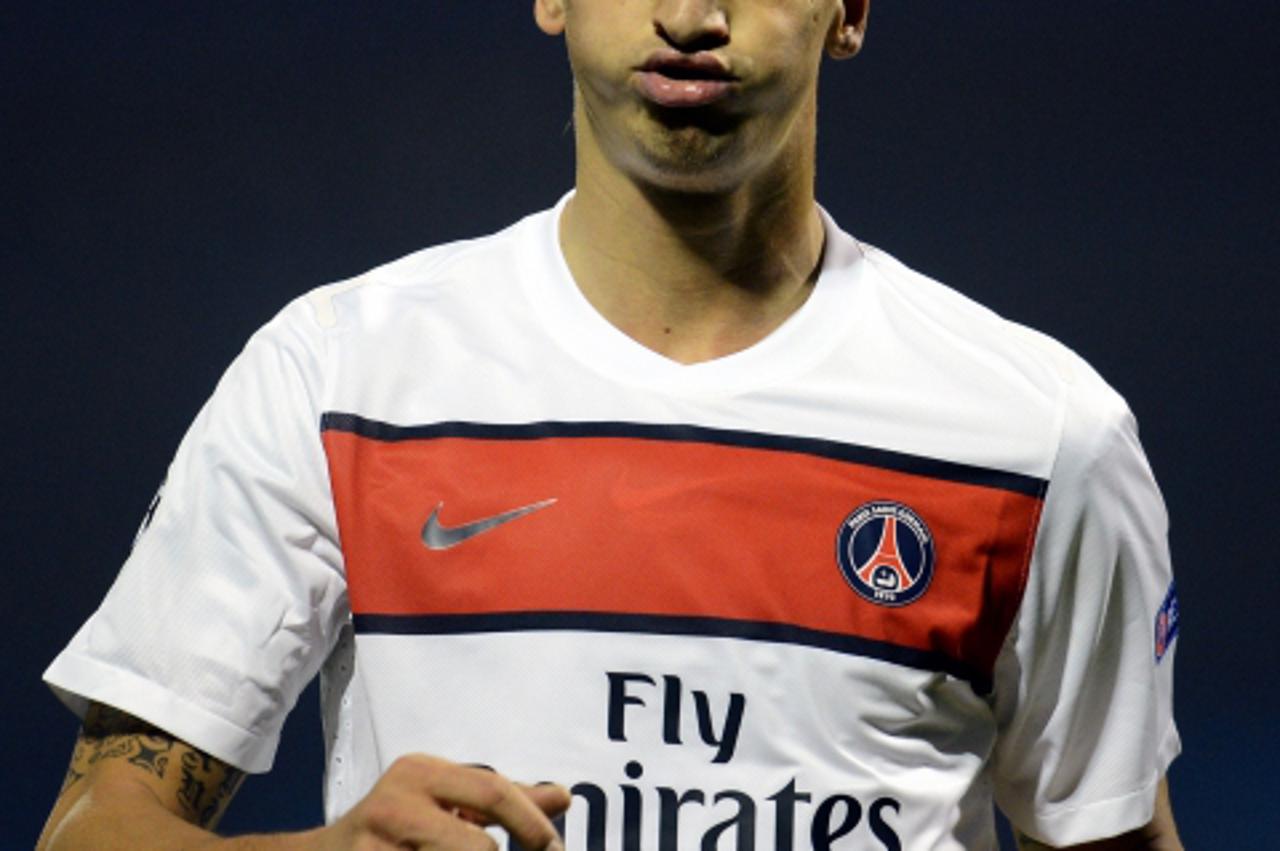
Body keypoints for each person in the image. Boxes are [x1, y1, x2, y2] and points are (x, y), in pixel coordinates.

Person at [37, 1, 1184, 849]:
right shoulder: (338, 375)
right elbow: (96, 823)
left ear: (849, 10)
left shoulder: (1037, 435)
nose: (688, 16)